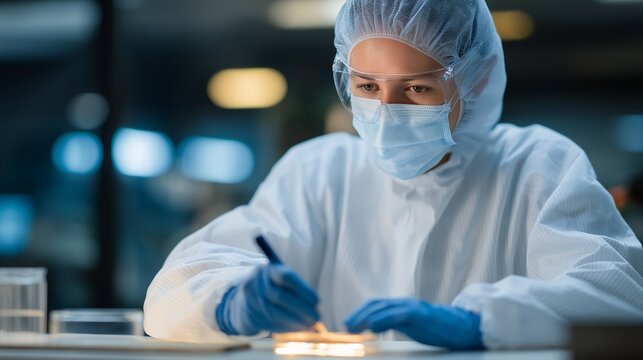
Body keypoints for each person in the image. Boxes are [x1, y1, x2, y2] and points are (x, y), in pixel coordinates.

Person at [144, 0, 643, 350]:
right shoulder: (318, 171)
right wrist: (230, 301)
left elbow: (616, 297)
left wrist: (480, 322)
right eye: (367, 85)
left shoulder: (538, 165)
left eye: (418, 90)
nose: (385, 110)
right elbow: (173, 291)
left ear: (476, 79)